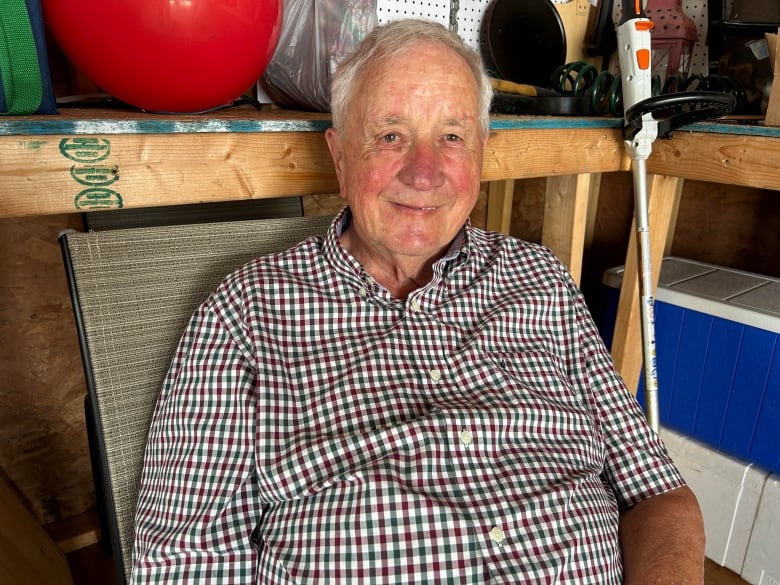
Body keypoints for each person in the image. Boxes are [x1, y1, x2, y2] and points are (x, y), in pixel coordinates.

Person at [130, 18, 705, 584]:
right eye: (390, 135)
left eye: (451, 136)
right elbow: (183, 559)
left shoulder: (542, 282)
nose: (424, 172)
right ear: (338, 153)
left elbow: (659, 495)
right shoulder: (244, 312)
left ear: (481, 150)